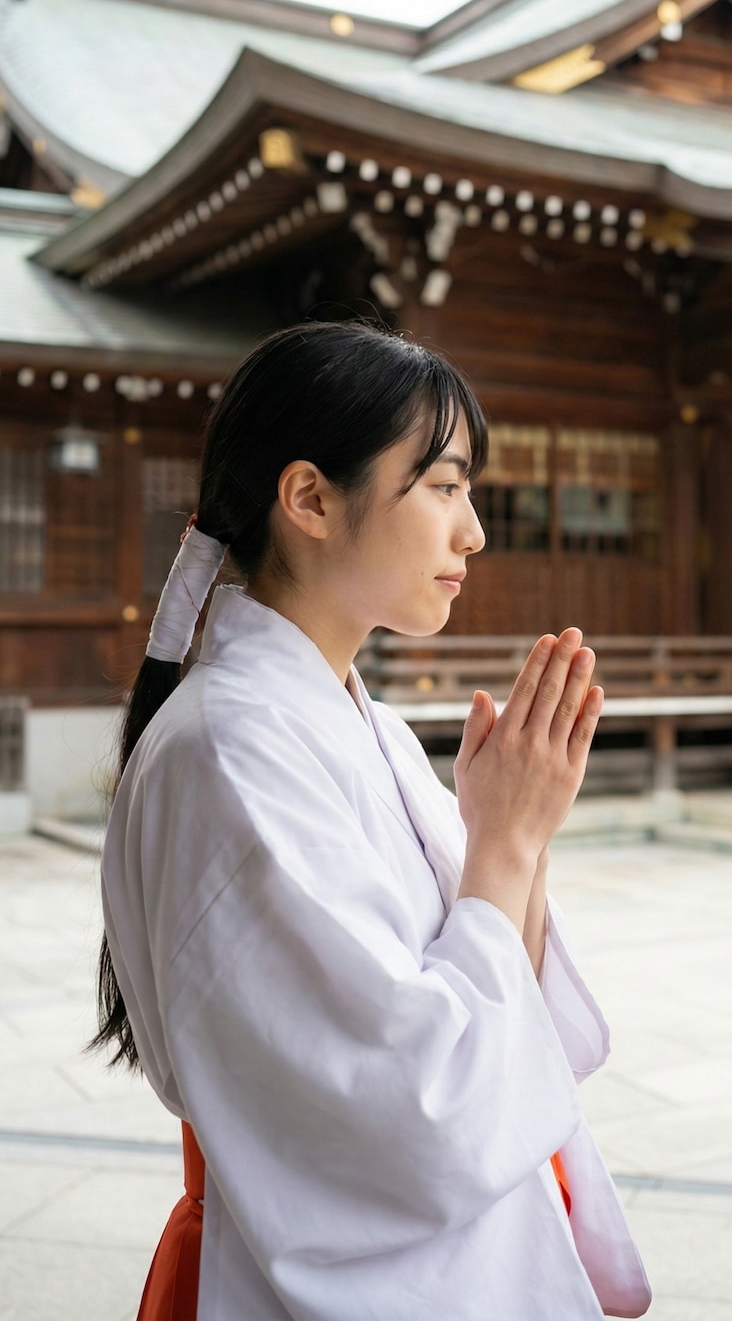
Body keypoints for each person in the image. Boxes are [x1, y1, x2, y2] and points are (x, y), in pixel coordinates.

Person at [94, 321, 652, 1320]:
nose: (472, 530)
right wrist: (504, 846)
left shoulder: (363, 725)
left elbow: (504, 1003)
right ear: (309, 497)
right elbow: (416, 1105)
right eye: (442, 485)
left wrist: (513, 838)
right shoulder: (231, 751)